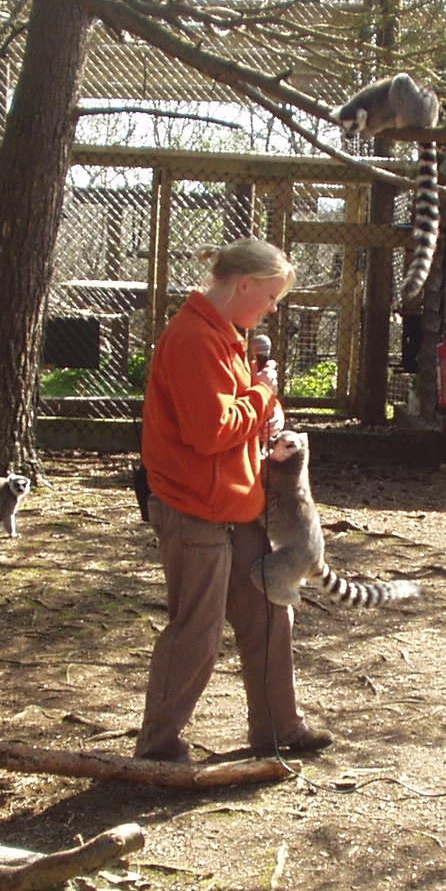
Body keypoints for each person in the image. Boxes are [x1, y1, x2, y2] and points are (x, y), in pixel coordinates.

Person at [136, 237, 333, 763]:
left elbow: (235, 419)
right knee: (196, 633)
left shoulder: (225, 336)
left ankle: (279, 728)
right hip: (194, 511)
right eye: (270, 297)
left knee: (270, 613)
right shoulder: (194, 339)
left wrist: (262, 412)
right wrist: (262, 396)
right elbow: (211, 430)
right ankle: (156, 750)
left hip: (236, 508)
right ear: (243, 284)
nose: (272, 309)